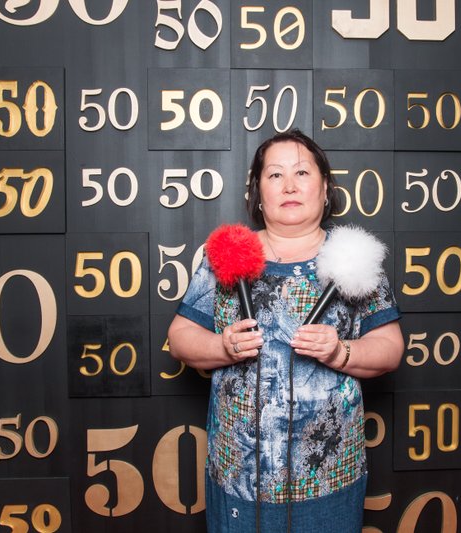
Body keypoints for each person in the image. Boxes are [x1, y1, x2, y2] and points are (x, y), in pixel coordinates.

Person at [167, 129, 404, 532]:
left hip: (329, 473)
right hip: (240, 474)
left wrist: (340, 352)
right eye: (275, 174)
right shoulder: (226, 255)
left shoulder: (353, 258)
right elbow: (179, 337)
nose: (289, 185)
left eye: (302, 173)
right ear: (258, 193)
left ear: (325, 188)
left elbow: (390, 348)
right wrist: (223, 346)